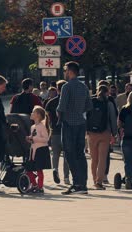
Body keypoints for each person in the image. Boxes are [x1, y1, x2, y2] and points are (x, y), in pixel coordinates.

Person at [57, 61, 93, 195]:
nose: (65, 72)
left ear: (71, 71)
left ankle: (76, 184)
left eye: (65, 70)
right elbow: (89, 106)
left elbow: (61, 107)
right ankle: (83, 184)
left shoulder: (66, 87)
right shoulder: (84, 87)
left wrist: (60, 114)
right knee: (80, 154)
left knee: (69, 154)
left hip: (68, 123)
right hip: (81, 123)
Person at [87, 85, 117, 190]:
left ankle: (94, 180)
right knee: (102, 158)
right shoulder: (109, 103)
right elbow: (113, 119)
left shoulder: (91, 102)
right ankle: (99, 182)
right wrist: (114, 133)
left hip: (91, 134)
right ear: (107, 92)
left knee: (94, 159)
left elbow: (86, 116)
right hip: (105, 133)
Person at [45, 80, 70, 185]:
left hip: (54, 131)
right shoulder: (69, 101)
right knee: (67, 155)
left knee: (55, 154)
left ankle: (55, 169)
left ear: (57, 88)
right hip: (67, 131)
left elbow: (47, 119)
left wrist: (47, 132)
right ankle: (66, 177)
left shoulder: (51, 102)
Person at [25, 106, 51, 194]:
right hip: (33, 150)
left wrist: (34, 138)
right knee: (29, 169)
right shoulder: (33, 127)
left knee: (39, 169)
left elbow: (46, 139)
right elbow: (34, 138)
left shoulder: (42, 126)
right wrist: (30, 139)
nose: (31, 113)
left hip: (40, 150)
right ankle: (34, 184)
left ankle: (40, 187)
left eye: (33, 112)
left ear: (38, 115)